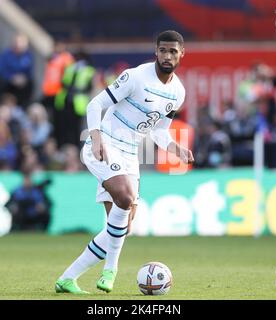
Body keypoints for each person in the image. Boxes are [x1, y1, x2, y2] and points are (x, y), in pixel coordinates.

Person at [55, 30, 194, 295]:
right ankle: (111, 270)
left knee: (122, 227)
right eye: (163, 50)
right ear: (156, 51)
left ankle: (67, 278)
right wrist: (95, 137)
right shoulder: (136, 76)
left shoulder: (178, 92)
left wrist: (175, 148)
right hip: (104, 144)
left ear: (181, 54)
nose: (167, 56)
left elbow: (159, 131)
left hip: (131, 154)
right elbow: (95, 105)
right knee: (126, 197)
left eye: (173, 51)